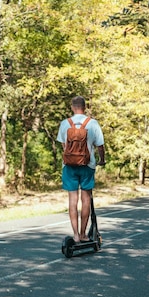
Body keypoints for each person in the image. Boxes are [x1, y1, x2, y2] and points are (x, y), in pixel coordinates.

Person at [56, 96, 105, 243]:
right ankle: (84, 234)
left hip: (69, 166)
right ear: (85, 107)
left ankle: (75, 235)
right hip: (87, 165)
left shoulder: (65, 124)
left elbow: (64, 147)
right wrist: (102, 160)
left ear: (72, 107)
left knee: (72, 199)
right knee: (85, 200)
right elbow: (100, 146)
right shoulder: (93, 123)